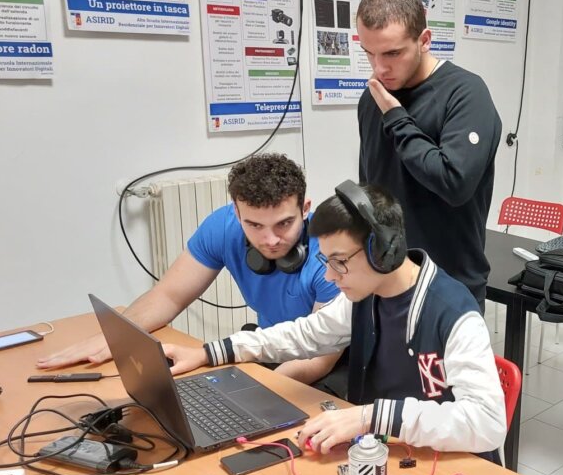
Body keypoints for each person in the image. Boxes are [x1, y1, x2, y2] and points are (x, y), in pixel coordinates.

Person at [162, 181, 506, 457]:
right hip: (383, 452)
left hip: (450, 465)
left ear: (383, 251)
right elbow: (302, 335)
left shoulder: (454, 313)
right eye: (326, 261)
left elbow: (487, 424)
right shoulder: (363, 296)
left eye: (339, 261)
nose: (329, 276)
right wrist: (209, 352)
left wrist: (368, 416)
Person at [37, 154, 344, 391]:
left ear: (305, 209)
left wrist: (259, 390)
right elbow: (169, 295)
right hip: (265, 348)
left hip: (321, 363)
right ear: (237, 213)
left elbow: (317, 355)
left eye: (284, 224)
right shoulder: (223, 226)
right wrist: (112, 338)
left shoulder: (330, 255)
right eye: (254, 225)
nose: (270, 240)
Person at [355, 0, 502, 309]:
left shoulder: (466, 94)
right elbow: (372, 185)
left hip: (448, 284)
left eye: (393, 53)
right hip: (386, 276)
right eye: (369, 53)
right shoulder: (373, 97)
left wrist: (397, 117)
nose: (379, 68)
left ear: (424, 40)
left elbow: (454, 183)